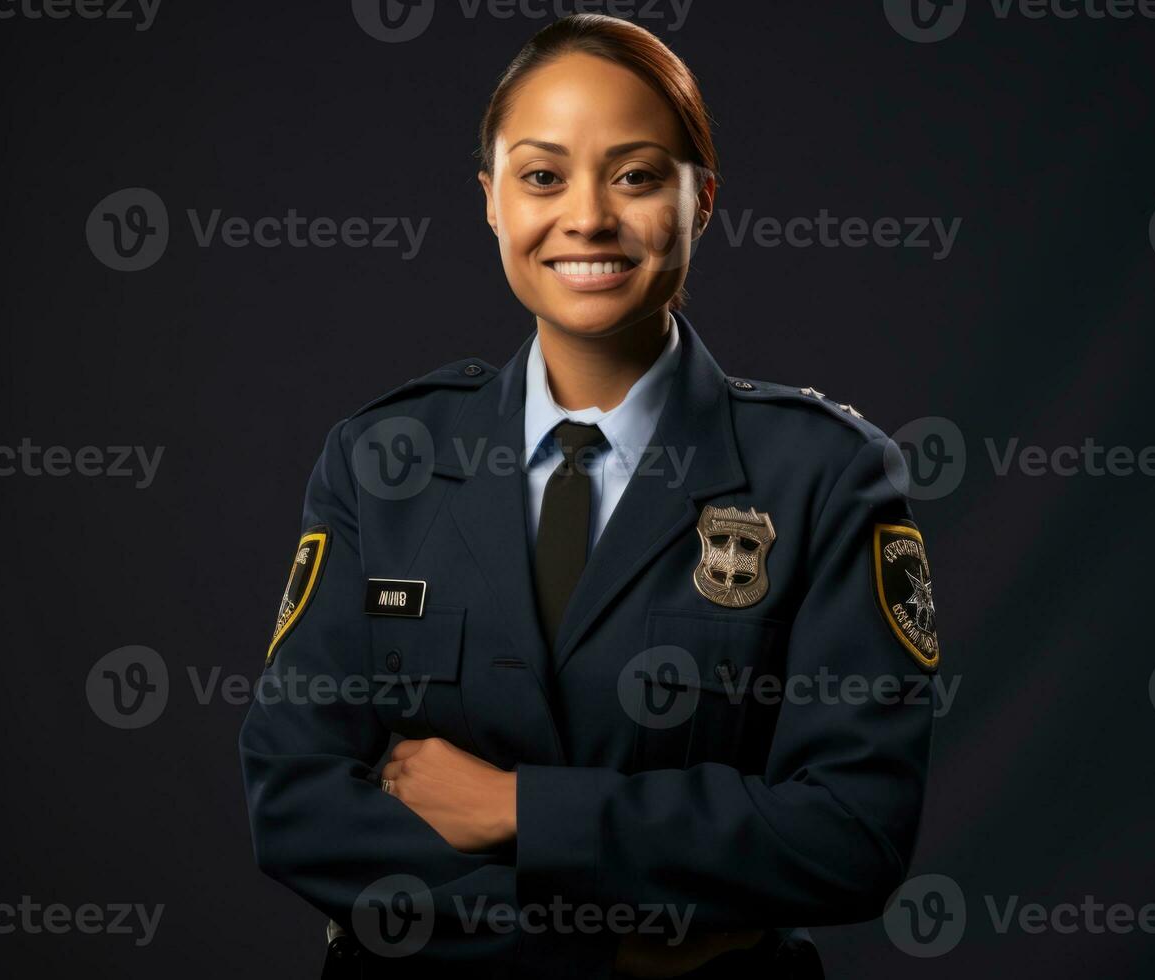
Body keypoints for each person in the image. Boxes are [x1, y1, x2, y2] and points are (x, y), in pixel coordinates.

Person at [239, 14, 939, 979]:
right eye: (541, 175)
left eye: (637, 175)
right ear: (490, 201)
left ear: (703, 203)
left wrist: (520, 807)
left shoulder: (823, 476)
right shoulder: (381, 460)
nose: (587, 217)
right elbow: (295, 801)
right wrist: (606, 940)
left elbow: (851, 833)